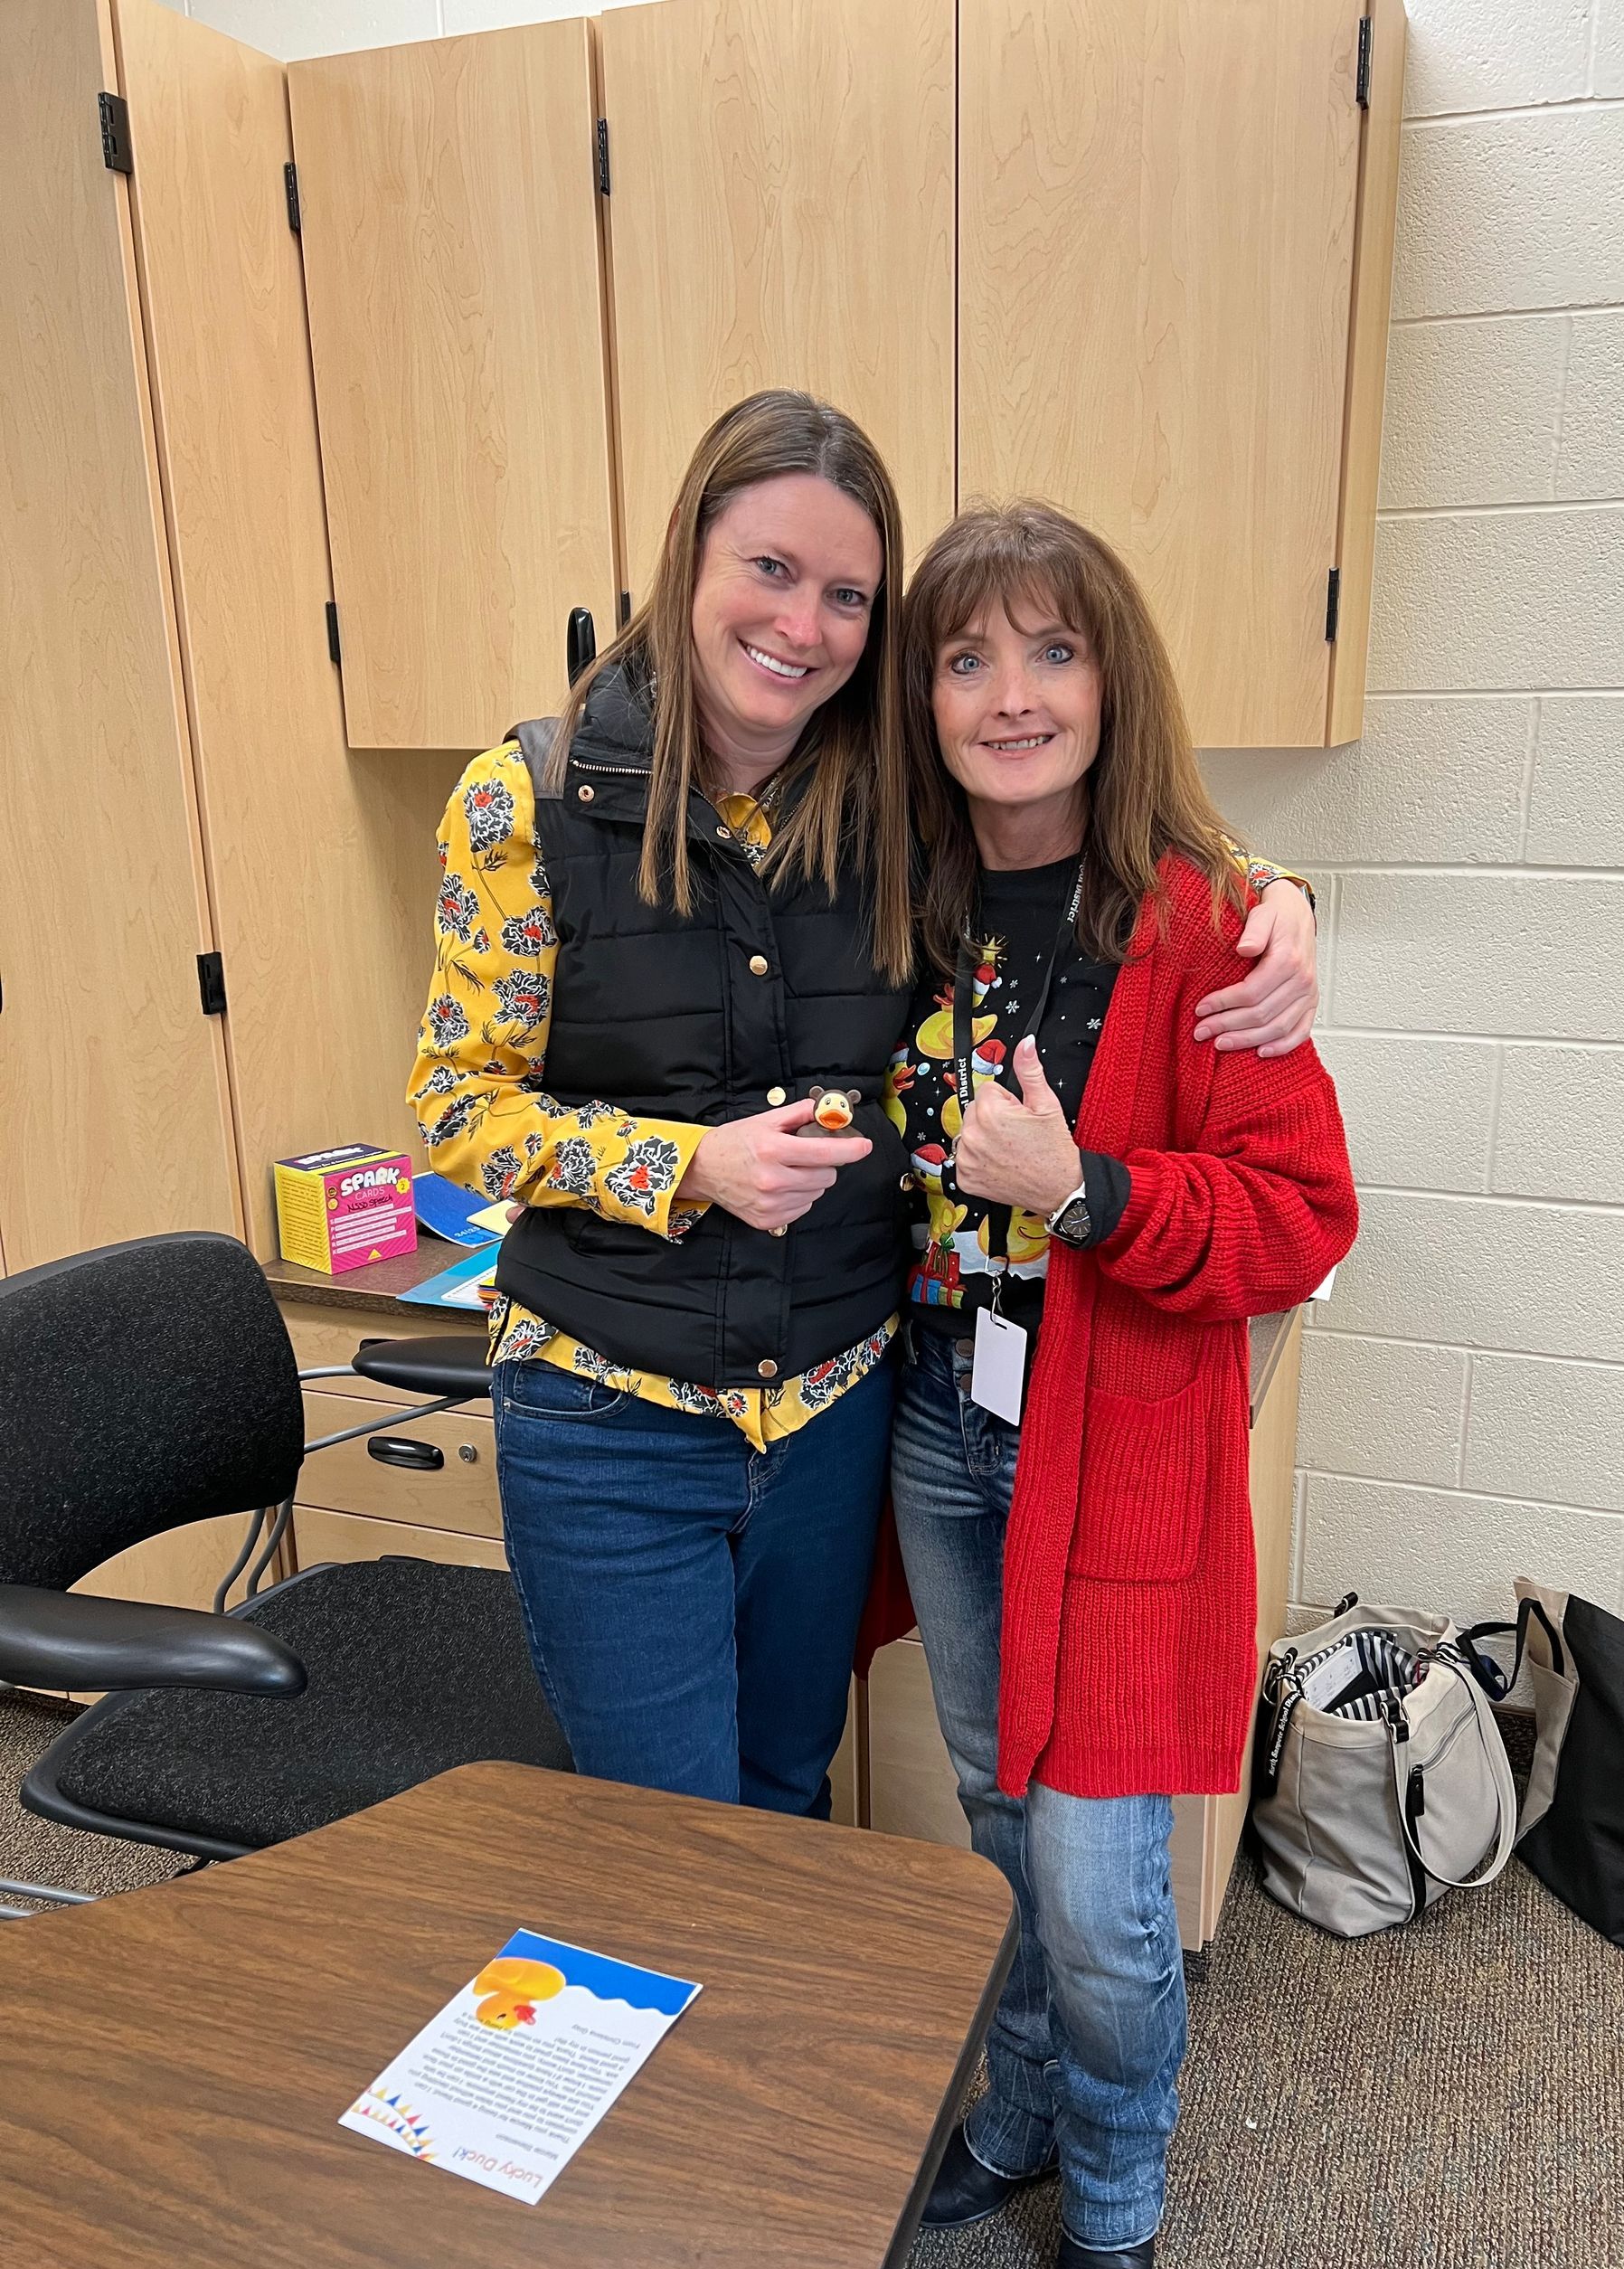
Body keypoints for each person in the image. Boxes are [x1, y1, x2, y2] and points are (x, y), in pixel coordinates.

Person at [408, 388, 1320, 1822]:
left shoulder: (888, 798)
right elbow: (456, 1104)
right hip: (611, 1414)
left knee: (784, 1802)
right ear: (690, 556)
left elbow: (1080, 798)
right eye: (770, 570)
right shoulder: (523, 800)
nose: (804, 625)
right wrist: (680, 1161)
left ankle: (769, 2059)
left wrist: (1272, 895)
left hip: (837, 1413)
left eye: (847, 595)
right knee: (668, 1837)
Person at [888, 502, 1358, 2269]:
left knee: (1099, 1878)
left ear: (1111, 676)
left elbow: (1304, 1213)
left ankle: (1118, 2168)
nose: (1011, 693)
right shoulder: (906, 901)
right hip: (944, 1428)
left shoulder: (1209, 921)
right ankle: (1018, 2107)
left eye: (1053, 650)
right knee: (999, 1811)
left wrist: (1089, 1187)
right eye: (966, 654)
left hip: (1120, 1457)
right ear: (920, 695)